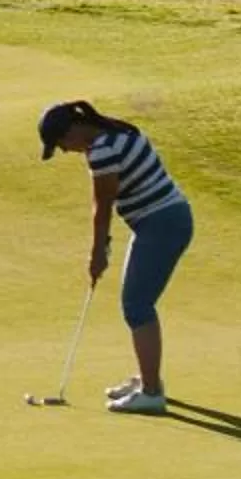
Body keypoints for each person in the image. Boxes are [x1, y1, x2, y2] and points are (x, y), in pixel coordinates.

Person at [39, 99, 195, 415]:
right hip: (166, 219)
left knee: (137, 306)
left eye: (62, 144)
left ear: (73, 130)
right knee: (137, 304)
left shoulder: (102, 151)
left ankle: (151, 393)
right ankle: (148, 379)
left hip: (162, 223)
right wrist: (104, 245)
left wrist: (97, 252)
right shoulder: (119, 131)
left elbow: (103, 205)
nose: (66, 151)